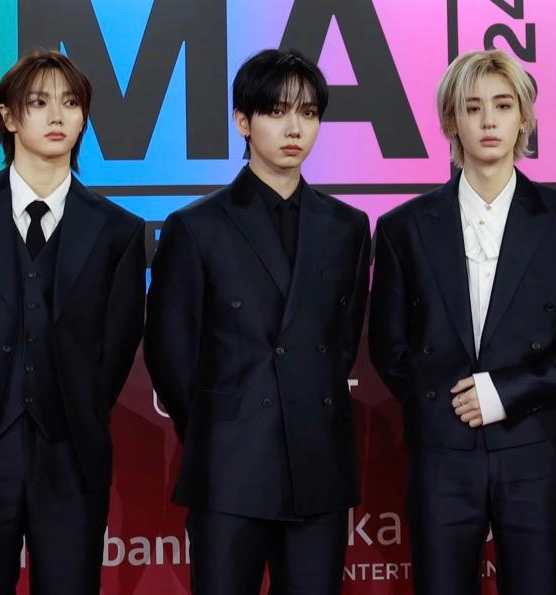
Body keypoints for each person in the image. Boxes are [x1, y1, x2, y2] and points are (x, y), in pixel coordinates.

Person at [368, 49, 556, 595]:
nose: (488, 121)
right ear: (450, 120)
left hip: (534, 450)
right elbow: (389, 345)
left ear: (524, 118)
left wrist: (506, 394)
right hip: (441, 454)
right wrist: (445, 406)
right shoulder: (403, 227)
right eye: (472, 107)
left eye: (503, 106)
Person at [0, 50, 147, 594]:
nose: (57, 116)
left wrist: (77, 413)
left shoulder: (119, 231)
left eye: (71, 103)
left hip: (72, 458)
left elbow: (116, 348)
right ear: (9, 116)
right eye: (39, 103)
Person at [144, 48, 371, 595]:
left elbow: (341, 342)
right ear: (243, 122)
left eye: (308, 113)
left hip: (318, 465)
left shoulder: (348, 227)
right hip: (228, 466)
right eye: (276, 111)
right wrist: (217, 427)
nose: (294, 128)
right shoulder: (196, 226)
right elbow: (170, 353)